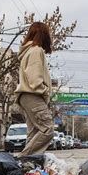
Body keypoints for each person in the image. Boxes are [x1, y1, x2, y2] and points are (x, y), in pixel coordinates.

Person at [14, 22, 54, 157]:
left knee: (35, 132)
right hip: (33, 95)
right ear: (44, 35)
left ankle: (28, 167)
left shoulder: (27, 51)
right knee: (47, 129)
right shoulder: (36, 50)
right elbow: (34, 79)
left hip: (25, 97)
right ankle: (23, 158)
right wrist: (45, 91)